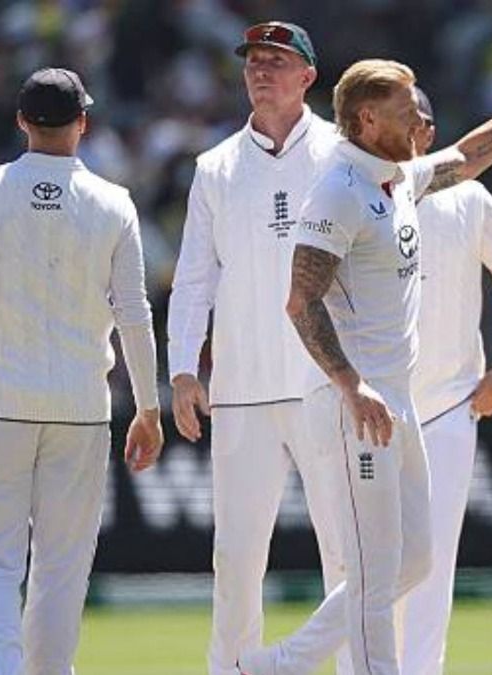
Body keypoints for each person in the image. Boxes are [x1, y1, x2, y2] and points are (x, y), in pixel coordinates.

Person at [237, 24, 492, 675]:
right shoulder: (338, 191)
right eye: (405, 111)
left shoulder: (395, 178)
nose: (420, 122)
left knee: (414, 560)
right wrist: (350, 384)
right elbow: (300, 301)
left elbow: (468, 156)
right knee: (373, 573)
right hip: (356, 407)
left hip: (398, 403)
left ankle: (275, 664)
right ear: (369, 120)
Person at [0, 68, 164, 675]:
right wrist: (148, 408)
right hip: (79, 407)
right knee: (62, 565)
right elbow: (134, 312)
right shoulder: (113, 203)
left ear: (22, 121)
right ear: (83, 123)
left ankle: (5, 667)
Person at [167, 22, 349, 675]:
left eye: (277, 61)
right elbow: (194, 277)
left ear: (308, 75)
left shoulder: (342, 154)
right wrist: (182, 370)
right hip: (242, 389)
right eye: (253, 62)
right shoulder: (216, 167)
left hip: (324, 385)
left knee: (346, 555)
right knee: (237, 558)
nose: (262, 72)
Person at [400, 86, 492, 675]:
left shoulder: (470, 198)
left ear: (428, 133)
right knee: (365, 563)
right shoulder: (361, 192)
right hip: (376, 408)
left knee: (432, 566)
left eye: (409, 119)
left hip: (449, 408)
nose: (397, 129)